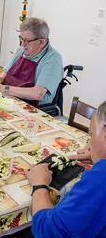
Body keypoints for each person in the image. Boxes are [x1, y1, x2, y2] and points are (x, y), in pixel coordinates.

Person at [24, 101, 106, 237]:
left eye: (91, 135)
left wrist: (39, 186)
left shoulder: (100, 179)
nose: (90, 143)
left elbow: (48, 232)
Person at [0, 17, 63, 106]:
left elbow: (38, 93)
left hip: (32, 107)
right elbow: (6, 71)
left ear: (41, 42)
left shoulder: (53, 59)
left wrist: (2, 88)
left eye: (27, 41)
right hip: (10, 98)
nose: (23, 44)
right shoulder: (23, 49)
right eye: (21, 38)